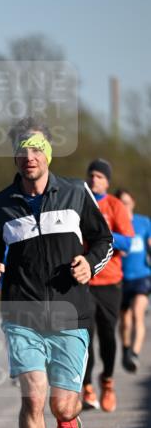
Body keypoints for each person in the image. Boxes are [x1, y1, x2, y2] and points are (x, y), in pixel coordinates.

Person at [0, 119, 113, 428]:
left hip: (72, 313)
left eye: (36, 148)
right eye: (22, 148)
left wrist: (89, 263)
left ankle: (70, 417)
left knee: (61, 405)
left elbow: (104, 239)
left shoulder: (74, 192)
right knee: (33, 398)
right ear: (15, 156)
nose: (29, 156)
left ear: (48, 153)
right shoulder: (0, 205)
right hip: (23, 312)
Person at [81, 159, 134, 411]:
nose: (95, 179)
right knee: (84, 336)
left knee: (107, 337)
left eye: (100, 176)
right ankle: (87, 386)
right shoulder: (78, 202)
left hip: (110, 281)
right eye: (92, 175)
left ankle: (108, 381)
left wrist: (102, 237)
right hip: (84, 281)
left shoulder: (114, 205)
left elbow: (128, 242)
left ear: (107, 181)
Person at [116, 188, 151, 372]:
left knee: (138, 314)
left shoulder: (143, 222)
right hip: (121, 279)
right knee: (125, 321)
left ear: (133, 203)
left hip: (142, 277)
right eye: (121, 203)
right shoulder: (114, 225)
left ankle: (134, 354)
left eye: (127, 202)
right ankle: (126, 349)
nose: (125, 206)